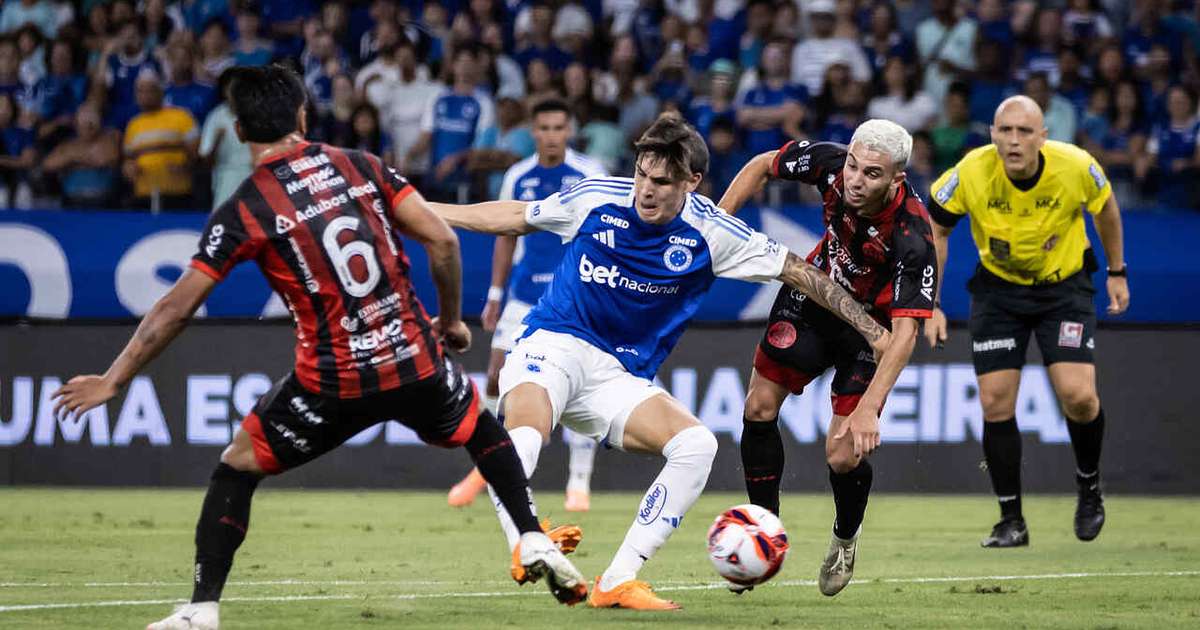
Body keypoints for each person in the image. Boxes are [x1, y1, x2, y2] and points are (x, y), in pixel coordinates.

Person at [50, 65, 587, 630]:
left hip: (332, 380)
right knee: (482, 428)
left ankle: (202, 609)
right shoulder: (361, 165)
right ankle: (529, 536)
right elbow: (443, 239)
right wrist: (451, 321)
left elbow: (174, 308)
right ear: (303, 116)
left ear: (238, 132)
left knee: (236, 469)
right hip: (412, 355)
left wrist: (115, 379)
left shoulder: (247, 206)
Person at [429, 112, 890, 610]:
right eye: (642, 177)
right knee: (527, 430)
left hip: (618, 376)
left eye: (662, 182)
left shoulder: (712, 234)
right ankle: (526, 537)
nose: (645, 191)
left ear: (692, 182)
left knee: (696, 445)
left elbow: (800, 273)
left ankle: (616, 581)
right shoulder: (597, 196)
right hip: (553, 343)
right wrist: (428, 212)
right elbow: (515, 216)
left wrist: (870, 330)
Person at [718, 120, 937, 597]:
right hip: (815, 300)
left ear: (897, 180)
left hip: (871, 333)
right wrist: (714, 224)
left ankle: (845, 537)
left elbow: (903, 336)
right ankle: (763, 533)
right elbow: (760, 165)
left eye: (872, 174)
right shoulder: (831, 162)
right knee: (757, 408)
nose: (855, 180)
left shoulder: (913, 237)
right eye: (854, 166)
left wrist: (868, 407)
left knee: (842, 454)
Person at [925, 95, 1129, 548]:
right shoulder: (970, 172)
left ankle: (1089, 485)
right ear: (993, 134)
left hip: (1064, 287)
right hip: (999, 293)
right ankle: (1010, 520)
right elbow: (936, 229)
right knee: (996, 402)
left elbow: (1107, 210)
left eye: (1024, 131)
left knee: (1078, 396)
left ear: (1043, 136)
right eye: (1005, 131)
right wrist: (931, 303)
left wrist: (1117, 271)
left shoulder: (1076, 166)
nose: (1014, 140)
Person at [446, 99, 607, 511]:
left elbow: (606, 234)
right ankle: (487, 466)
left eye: (558, 127)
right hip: (522, 294)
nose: (551, 135)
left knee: (578, 386)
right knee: (497, 379)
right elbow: (505, 233)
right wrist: (496, 293)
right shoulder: (518, 175)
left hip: (574, 297)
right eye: (544, 128)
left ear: (569, 131)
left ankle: (579, 483)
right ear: (532, 132)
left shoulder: (590, 175)